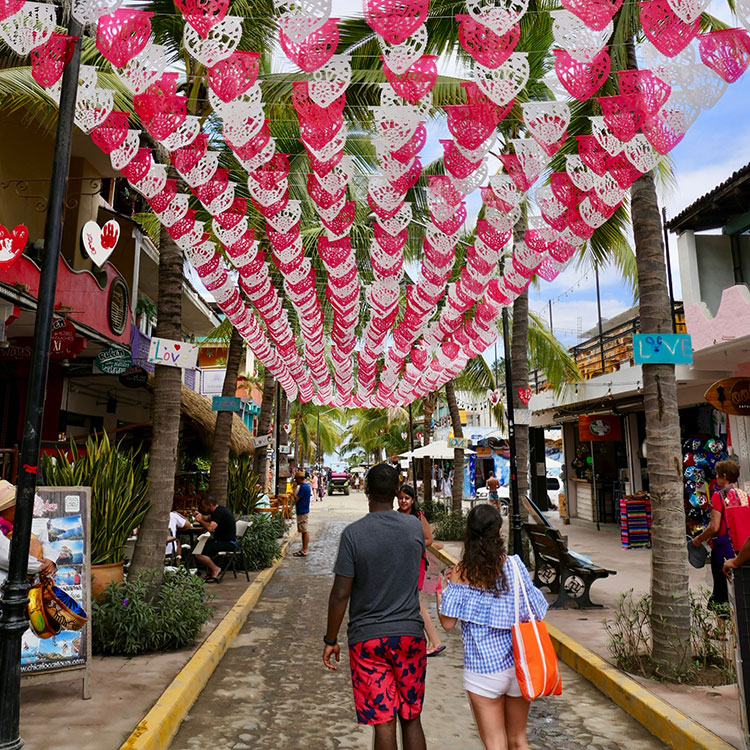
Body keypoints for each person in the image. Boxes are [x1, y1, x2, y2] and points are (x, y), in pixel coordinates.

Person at [323, 464, 427, 750]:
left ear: (366, 490)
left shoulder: (353, 535)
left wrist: (330, 639)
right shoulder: (414, 527)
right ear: (397, 492)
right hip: (410, 635)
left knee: (384, 721)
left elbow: (340, 594)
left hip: (368, 640)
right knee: (412, 717)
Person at [437, 504, 548, 750]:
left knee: (495, 744)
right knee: (519, 741)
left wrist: (441, 593)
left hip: (483, 669)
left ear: (469, 534)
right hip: (518, 664)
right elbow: (538, 609)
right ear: (499, 533)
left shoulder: (461, 573)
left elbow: (447, 624)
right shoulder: (516, 566)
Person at [397, 483, 445, 657]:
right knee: (411, 602)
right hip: (401, 564)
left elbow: (429, 540)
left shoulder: (418, 516)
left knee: (416, 602)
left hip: (416, 562)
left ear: (412, 500)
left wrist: (412, 544)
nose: (403, 501)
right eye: (401, 498)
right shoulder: (395, 516)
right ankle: (429, 641)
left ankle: (435, 640)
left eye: (407, 498)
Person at [691, 459, 741, 607]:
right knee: (739, 589)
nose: (716, 479)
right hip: (741, 548)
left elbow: (714, 527)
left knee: (721, 592)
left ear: (724, 476)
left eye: (718, 475)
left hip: (723, 549)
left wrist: (698, 540)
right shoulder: (744, 496)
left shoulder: (718, 497)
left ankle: (722, 627)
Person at [0, 480, 56, 583]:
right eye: (13, 503)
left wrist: (49, 559)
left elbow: (44, 541)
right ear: (4, 509)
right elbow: (8, 558)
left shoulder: (23, 521)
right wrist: (42, 567)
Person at [193, 496, 237, 583]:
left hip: (227, 543)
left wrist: (200, 521)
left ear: (210, 505)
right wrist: (200, 516)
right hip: (224, 541)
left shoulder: (218, 512)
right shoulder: (219, 510)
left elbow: (210, 528)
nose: (203, 510)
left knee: (197, 552)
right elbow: (208, 518)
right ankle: (211, 570)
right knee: (199, 546)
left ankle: (215, 569)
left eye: (204, 507)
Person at [293, 470, 311, 557]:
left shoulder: (303, 487)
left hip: (302, 510)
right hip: (303, 509)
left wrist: (294, 489)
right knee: (303, 531)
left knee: (304, 530)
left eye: (296, 479)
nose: (295, 481)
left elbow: (296, 499)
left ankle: (304, 549)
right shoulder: (306, 486)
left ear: (300, 479)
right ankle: (303, 549)